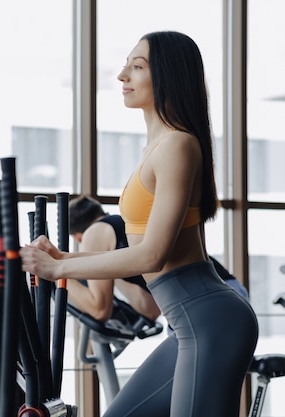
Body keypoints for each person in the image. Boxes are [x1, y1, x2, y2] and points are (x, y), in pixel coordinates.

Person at [21, 31, 258, 416]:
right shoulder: (158, 146)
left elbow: (151, 254)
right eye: (126, 65)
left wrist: (60, 266)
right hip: (188, 324)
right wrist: (62, 256)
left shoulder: (179, 145)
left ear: (167, 75)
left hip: (210, 320)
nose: (121, 76)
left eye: (137, 66)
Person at [67, 195, 160, 322]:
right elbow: (152, 310)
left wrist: (58, 275)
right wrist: (111, 269)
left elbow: (100, 311)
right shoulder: (120, 223)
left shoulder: (94, 233)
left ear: (78, 237)